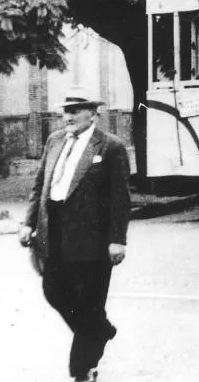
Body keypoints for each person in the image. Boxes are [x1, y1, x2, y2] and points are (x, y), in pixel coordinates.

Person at [18, 88, 130, 382]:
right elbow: (39, 183)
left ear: (93, 113)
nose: (68, 116)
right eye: (66, 110)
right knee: (53, 290)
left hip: (93, 241)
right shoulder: (55, 140)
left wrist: (118, 239)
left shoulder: (110, 146)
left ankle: (82, 370)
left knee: (90, 301)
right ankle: (101, 330)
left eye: (76, 110)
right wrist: (28, 222)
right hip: (52, 233)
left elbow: (120, 199)